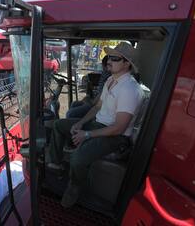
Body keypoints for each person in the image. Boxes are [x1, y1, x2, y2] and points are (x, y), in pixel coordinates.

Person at [47, 42, 144, 208]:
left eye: (114, 58)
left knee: (78, 157)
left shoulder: (130, 89)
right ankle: (56, 164)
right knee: (58, 125)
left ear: (127, 64)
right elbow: (97, 107)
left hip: (116, 137)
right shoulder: (110, 81)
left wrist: (87, 134)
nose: (108, 61)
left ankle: (74, 186)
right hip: (97, 124)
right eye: (109, 57)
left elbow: (119, 127)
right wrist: (80, 123)